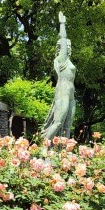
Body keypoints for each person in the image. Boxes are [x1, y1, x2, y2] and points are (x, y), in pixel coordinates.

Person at [41, 11, 76, 140]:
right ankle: (44, 147)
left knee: (67, 126)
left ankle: (64, 153)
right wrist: (62, 24)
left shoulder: (69, 62)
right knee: (58, 122)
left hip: (71, 95)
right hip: (63, 92)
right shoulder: (62, 59)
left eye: (69, 46)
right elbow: (63, 38)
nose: (69, 48)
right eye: (67, 47)